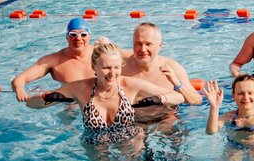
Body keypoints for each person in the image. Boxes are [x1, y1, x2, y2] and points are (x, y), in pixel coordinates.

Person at [26, 41, 184, 145]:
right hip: (95, 141)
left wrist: (160, 99)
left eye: (116, 67)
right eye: (106, 68)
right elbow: (31, 104)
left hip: (129, 139)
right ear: (94, 67)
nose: (112, 73)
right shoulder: (80, 88)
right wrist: (45, 98)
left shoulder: (130, 85)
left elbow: (178, 97)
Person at [121, 23, 203, 115]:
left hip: (165, 118)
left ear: (159, 46)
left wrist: (177, 83)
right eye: (138, 44)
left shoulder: (172, 67)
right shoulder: (121, 69)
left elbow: (196, 101)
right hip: (135, 119)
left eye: (148, 44)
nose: (143, 49)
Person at [11, 17, 96, 102]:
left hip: (99, 102)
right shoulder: (53, 61)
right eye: (73, 34)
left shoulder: (101, 53)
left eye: (83, 34)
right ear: (67, 37)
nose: (78, 38)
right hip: (71, 107)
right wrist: (20, 90)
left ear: (89, 36)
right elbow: (20, 79)